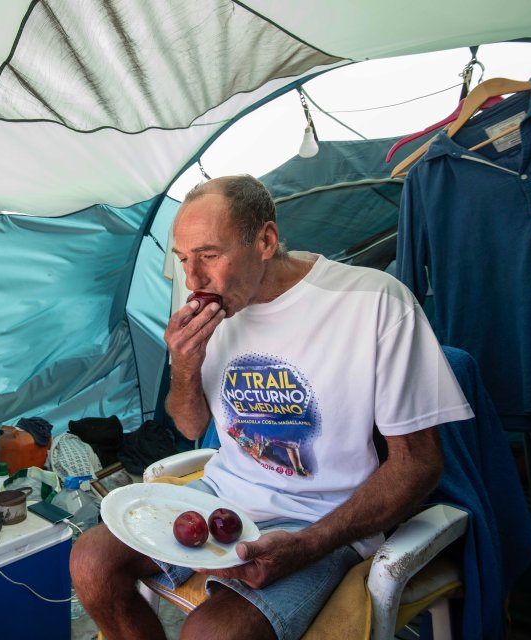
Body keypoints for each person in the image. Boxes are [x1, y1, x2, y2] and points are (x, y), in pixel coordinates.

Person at [70, 175, 474, 640]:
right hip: (225, 495)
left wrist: (309, 545)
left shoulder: (373, 303)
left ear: (265, 240)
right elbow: (190, 424)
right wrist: (184, 364)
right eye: (183, 259)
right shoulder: (204, 305)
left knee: (210, 634)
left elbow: (419, 464)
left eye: (209, 255)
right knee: (91, 561)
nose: (193, 279)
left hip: (323, 517)